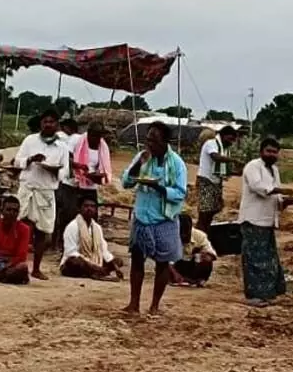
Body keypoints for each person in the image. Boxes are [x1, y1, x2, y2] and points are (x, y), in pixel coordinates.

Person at [122, 121, 188, 316]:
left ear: (165, 142)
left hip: (164, 219)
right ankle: (134, 303)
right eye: (148, 139)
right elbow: (126, 182)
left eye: (154, 140)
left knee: (163, 262)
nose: (149, 144)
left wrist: (159, 188)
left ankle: (155, 305)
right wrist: (137, 165)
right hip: (142, 216)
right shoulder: (142, 158)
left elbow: (180, 193)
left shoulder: (176, 163)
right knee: (136, 259)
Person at [239, 137, 293, 305]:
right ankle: (254, 296)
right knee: (254, 259)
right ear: (261, 151)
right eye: (269, 151)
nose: (272, 155)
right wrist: (279, 190)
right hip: (253, 219)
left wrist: (286, 201)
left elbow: (276, 196)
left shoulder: (274, 170)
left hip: (268, 220)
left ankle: (268, 293)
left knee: (268, 259)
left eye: (275, 152)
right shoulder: (252, 167)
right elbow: (259, 188)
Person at [15, 109, 68, 280]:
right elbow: (17, 162)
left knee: (43, 233)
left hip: (46, 191)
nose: (48, 124)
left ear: (57, 125)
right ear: (41, 123)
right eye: (45, 121)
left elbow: (65, 171)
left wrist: (54, 170)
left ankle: (36, 268)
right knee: (24, 228)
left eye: (52, 122)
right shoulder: (30, 140)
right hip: (28, 188)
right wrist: (30, 159)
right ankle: (19, 264)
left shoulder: (62, 146)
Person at [55, 121, 113, 246]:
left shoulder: (103, 146)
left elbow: (103, 166)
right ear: (89, 134)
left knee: (91, 213)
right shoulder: (77, 140)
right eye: (95, 135)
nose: (97, 139)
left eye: (99, 136)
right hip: (72, 182)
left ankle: (88, 242)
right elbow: (66, 157)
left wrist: (98, 175)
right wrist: (78, 166)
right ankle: (64, 242)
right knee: (69, 213)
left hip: (90, 184)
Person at [60, 194, 123, 280]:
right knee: (74, 262)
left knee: (118, 261)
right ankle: (98, 272)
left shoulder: (97, 227)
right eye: (86, 206)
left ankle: (96, 272)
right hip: (75, 264)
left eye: (92, 206)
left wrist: (116, 267)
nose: (89, 209)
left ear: (96, 209)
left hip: (94, 261)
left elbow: (103, 250)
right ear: (79, 208)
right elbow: (70, 252)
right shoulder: (73, 226)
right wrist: (91, 265)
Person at [197, 126, 239, 232]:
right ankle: (198, 238)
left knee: (212, 211)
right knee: (204, 213)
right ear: (223, 136)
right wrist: (233, 160)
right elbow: (215, 157)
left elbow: (223, 169)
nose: (231, 143)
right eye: (230, 139)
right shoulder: (211, 143)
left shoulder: (222, 149)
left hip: (215, 182)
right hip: (206, 181)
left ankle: (204, 236)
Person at [171, 213, 218, 287]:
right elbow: (166, 261)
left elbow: (212, 255)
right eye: (181, 234)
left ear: (190, 229)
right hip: (177, 266)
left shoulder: (200, 236)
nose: (184, 237)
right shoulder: (170, 236)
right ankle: (179, 280)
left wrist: (206, 255)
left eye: (186, 234)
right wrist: (175, 274)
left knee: (206, 260)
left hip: (193, 267)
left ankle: (199, 280)